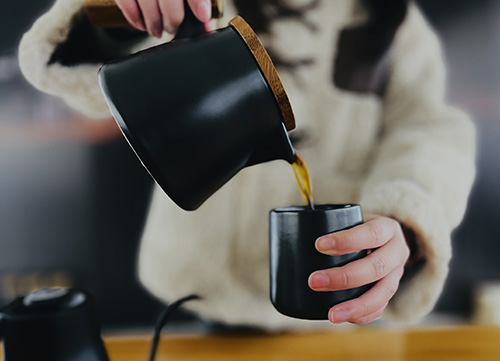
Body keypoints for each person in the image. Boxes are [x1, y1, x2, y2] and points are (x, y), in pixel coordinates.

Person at [18, 0, 476, 330]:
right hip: (201, 305)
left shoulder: (394, 22)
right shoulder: (209, 6)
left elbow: (430, 131)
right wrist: (122, 13)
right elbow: (77, 61)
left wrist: (405, 216)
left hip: (346, 312)